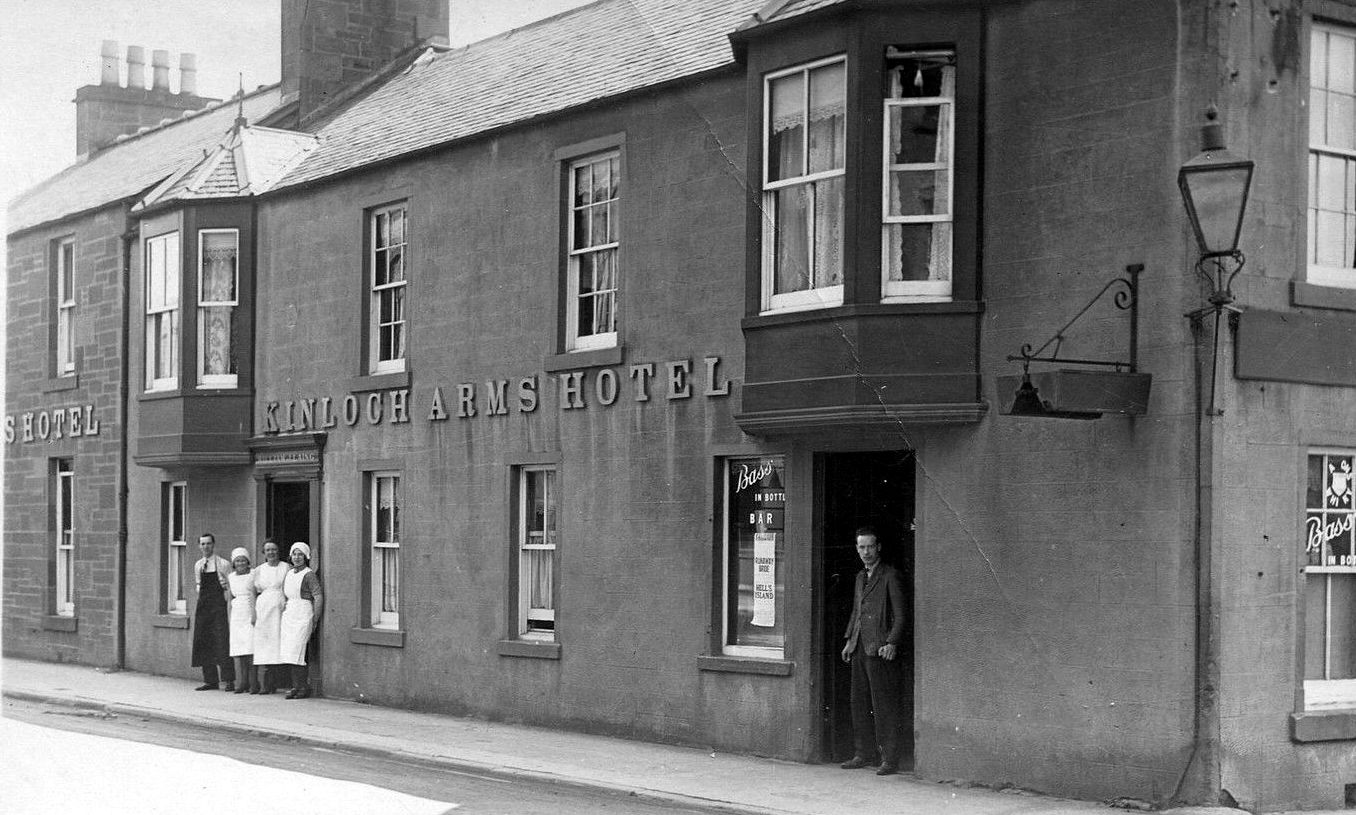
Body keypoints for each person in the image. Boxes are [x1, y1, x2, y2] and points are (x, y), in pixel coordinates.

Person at [839, 526, 906, 776]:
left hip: (879, 650)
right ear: (857, 549)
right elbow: (857, 612)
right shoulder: (860, 577)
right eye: (861, 547)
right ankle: (862, 753)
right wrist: (849, 640)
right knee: (859, 703)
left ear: (879, 548)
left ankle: (889, 758)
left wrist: (892, 643)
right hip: (859, 648)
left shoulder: (890, 575)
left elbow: (901, 615)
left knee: (883, 706)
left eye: (870, 546)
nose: (866, 552)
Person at [191, 533, 236, 691]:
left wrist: (227, 603)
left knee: (222, 641)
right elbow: (198, 585)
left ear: (213, 545)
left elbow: (232, 586)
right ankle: (210, 680)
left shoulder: (223, 564)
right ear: (199, 546)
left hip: (219, 607)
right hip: (204, 607)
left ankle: (229, 680)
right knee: (204, 641)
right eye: (202, 544)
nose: (206, 547)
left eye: (208, 544)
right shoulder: (198, 565)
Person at [279, 542, 323, 699]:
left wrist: (315, 619)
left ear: (306, 557)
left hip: (303, 613)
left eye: (300, 555)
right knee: (290, 651)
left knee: (300, 651)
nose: (297, 558)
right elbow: (287, 594)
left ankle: (304, 687)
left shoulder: (309, 575)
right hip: (290, 613)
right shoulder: (290, 573)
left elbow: (318, 596)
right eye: (294, 554)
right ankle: (295, 686)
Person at [251, 540, 289, 694]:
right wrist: (254, 612)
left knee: (279, 642)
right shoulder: (259, 570)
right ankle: (266, 684)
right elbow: (253, 591)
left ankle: (281, 681)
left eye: (274, 549)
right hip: (264, 608)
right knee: (264, 643)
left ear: (278, 551)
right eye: (268, 550)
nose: (271, 553)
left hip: (280, 607)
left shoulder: (286, 567)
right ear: (263, 553)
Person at [226, 548, 258, 694]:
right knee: (239, 650)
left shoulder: (253, 574)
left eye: (243, 560)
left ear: (248, 561)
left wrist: (254, 614)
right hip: (237, 614)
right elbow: (230, 597)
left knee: (250, 649)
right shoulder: (231, 577)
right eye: (238, 560)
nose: (240, 563)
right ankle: (243, 682)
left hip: (249, 610)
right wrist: (229, 616)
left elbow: (255, 594)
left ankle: (254, 682)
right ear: (234, 563)